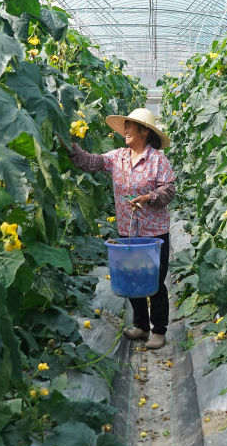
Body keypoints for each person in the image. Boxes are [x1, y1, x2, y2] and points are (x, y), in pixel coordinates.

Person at [66, 108, 176, 350]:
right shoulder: (118, 157)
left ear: (144, 131)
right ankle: (141, 326)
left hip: (154, 233)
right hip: (129, 231)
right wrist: (68, 144)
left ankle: (159, 330)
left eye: (130, 126)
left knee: (155, 282)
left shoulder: (158, 160)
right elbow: (90, 162)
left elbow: (169, 190)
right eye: (125, 126)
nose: (125, 130)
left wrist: (148, 197)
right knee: (133, 278)